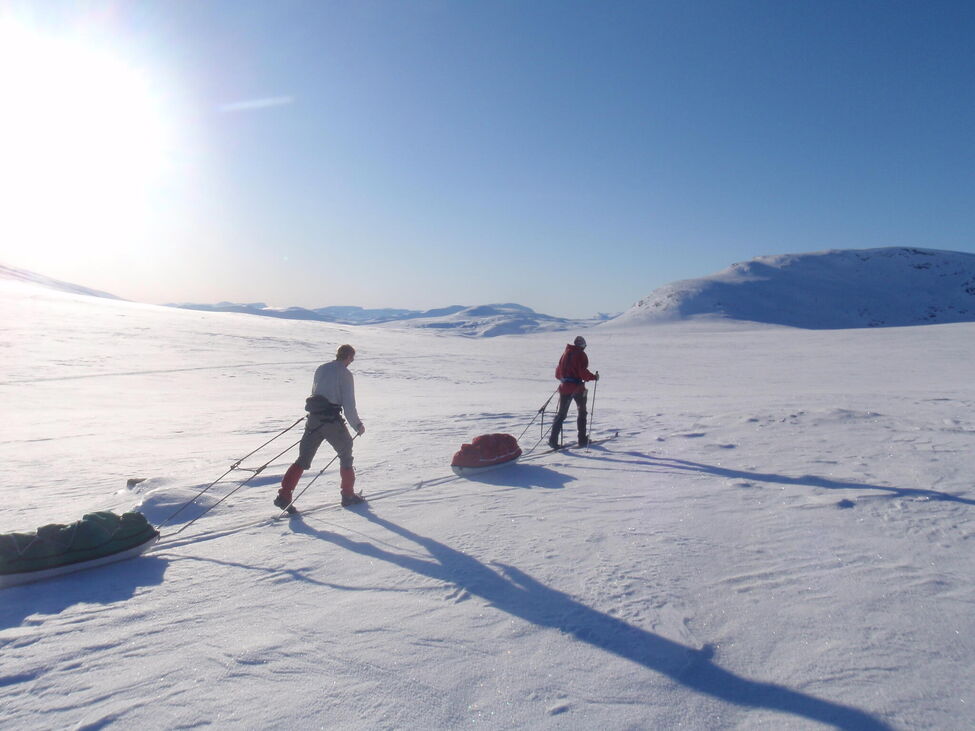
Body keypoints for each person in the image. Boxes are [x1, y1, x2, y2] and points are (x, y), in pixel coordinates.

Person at [275, 344, 366, 510]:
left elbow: (315, 392)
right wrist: (357, 425)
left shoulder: (321, 368)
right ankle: (348, 494)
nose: (351, 362)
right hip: (331, 421)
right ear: (348, 357)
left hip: (314, 420)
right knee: (346, 452)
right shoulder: (345, 374)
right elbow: (349, 404)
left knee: (303, 459)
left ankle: (284, 495)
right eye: (352, 359)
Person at [549, 335, 599, 449]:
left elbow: (558, 373)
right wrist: (593, 377)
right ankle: (582, 439)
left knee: (561, 415)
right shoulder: (581, 354)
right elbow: (582, 372)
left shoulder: (565, 353)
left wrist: (565, 380)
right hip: (577, 388)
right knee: (582, 412)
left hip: (564, 388)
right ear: (582, 345)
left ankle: (553, 441)